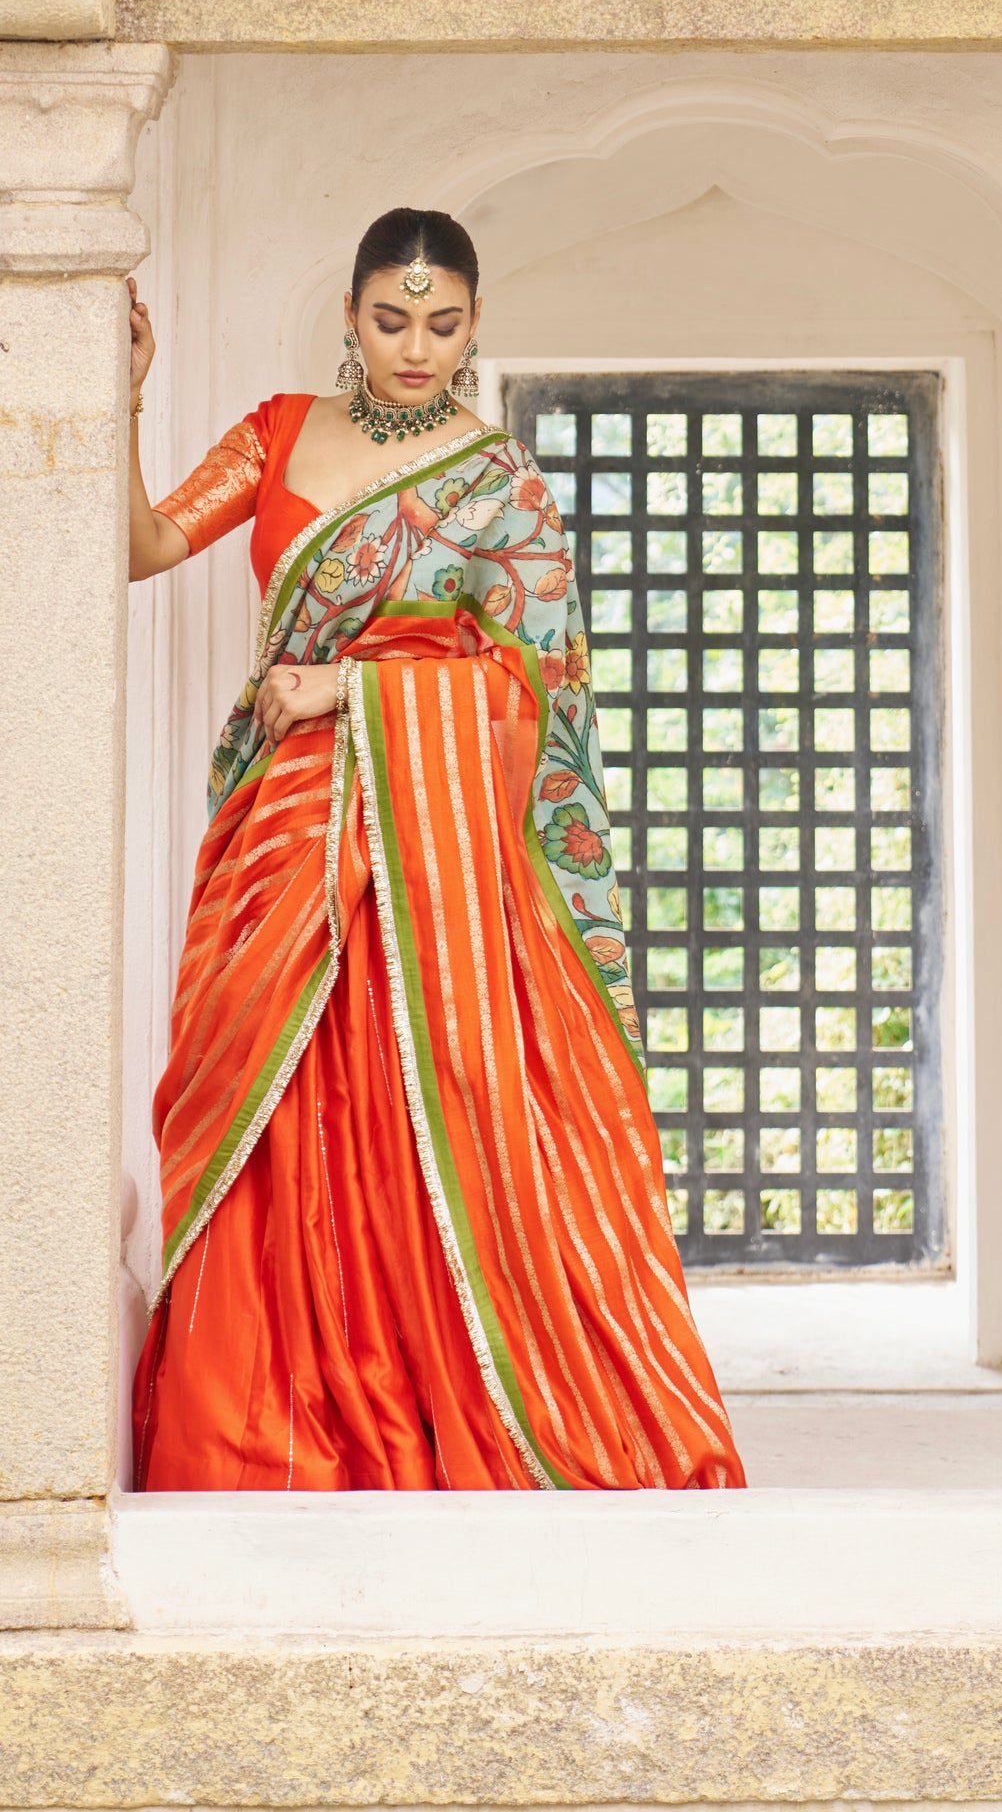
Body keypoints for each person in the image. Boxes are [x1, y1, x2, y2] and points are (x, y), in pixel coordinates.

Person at [128, 206, 744, 1492]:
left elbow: (538, 687)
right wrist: (113, 395)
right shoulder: (278, 430)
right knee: (261, 1084)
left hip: (428, 843)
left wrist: (356, 696)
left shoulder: (500, 484)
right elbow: (139, 547)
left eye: (443, 321)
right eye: (392, 318)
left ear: (476, 324)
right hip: (281, 822)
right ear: (349, 316)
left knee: (421, 1099)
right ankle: (260, 1417)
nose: (416, 345)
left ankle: (430, 1389)